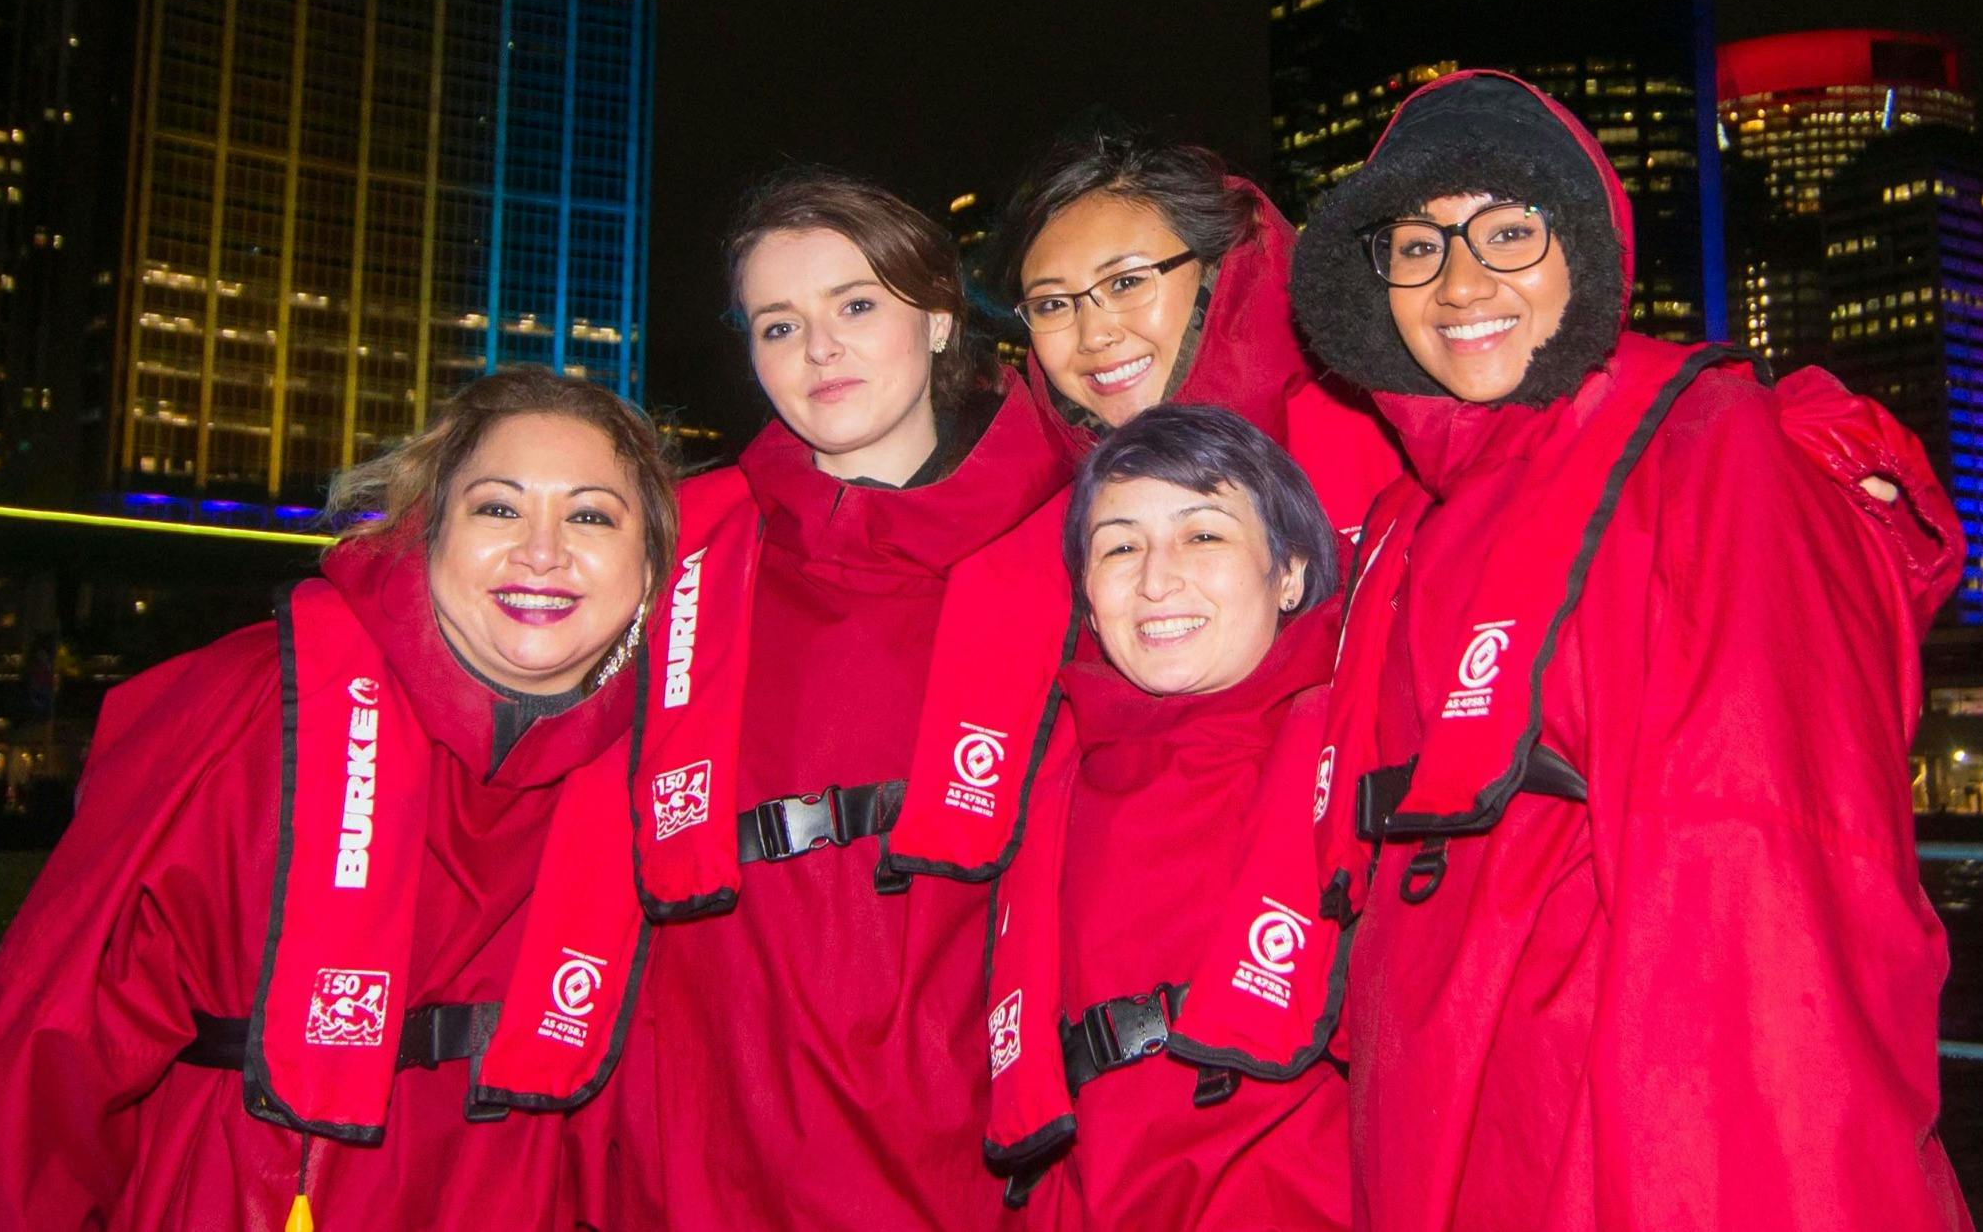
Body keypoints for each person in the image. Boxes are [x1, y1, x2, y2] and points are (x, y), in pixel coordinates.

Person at [1289, 70, 1973, 1231]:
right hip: (1441, 1139)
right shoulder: (1412, 521)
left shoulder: (1702, 450)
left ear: (1586, 245)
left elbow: (1761, 906)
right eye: (1416, 245)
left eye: (1509, 231)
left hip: (1605, 1158)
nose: (1461, 282)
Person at [0, 368, 676, 1232]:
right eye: (497, 508)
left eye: (591, 516)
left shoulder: (670, 781)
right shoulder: (247, 710)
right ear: (424, 533)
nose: (542, 551)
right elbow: (48, 1050)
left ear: (650, 564)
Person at [584, 168, 1072, 1228]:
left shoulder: (1078, 535)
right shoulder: (683, 542)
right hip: (711, 1107)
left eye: (855, 305)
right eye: (778, 324)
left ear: (938, 317)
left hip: (955, 1117)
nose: (819, 349)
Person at [983, 405, 1354, 1229]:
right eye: (1119, 547)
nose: (1155, 581)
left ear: (1289, 571)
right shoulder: (1043, 779)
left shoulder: (1357, 761)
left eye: (1202, 535)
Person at [998, 126, 1399, 533]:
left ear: (1216, 270)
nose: (1093, 336)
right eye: (1052, 304)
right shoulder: (1029, 529)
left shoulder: (1391, 444)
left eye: (1126, 282)